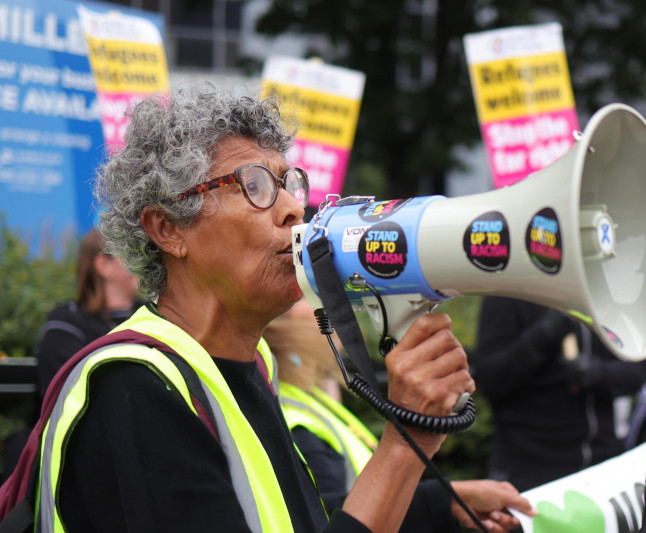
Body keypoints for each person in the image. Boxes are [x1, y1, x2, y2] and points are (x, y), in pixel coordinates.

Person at [35, 87, 477, 532]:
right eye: (254, 185)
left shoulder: (247, 364)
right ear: (167, 229)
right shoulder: (132, 386)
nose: (294, 208)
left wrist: (435, 498)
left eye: (289, 183)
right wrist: (403, 446)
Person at [264, 300, 533, 533]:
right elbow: (325, 520)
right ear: (275, 326)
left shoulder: (309, 400)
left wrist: (447, 500)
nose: (325, 301)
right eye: (301, 298)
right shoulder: (298, 422)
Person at [472, 296, 646, 491]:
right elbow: (490, 379)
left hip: (600, 472)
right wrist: (544, 334)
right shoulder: (507, 293)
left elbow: (639, 372)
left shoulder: (600, 293)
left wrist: (597, 374)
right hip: (529, 474)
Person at [34, 229, 140, 397]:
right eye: (133, 254)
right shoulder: (64, 327)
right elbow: (65, 398)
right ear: (104, 266)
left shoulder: (153, 315)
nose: (145, 262)